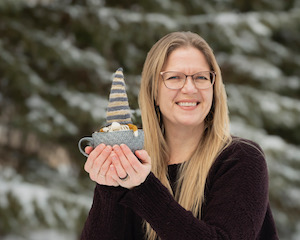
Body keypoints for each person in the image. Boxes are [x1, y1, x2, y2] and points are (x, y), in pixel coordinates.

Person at [80, 31, 279, 240]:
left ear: (214, 87)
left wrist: (143, 187)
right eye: (174, 77)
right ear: (153, 91)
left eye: (201, 77)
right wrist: (109, 188)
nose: (190, 88)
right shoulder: (132, 161)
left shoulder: (241, 159)